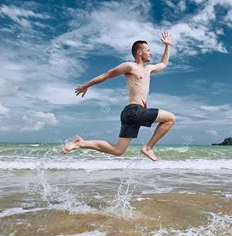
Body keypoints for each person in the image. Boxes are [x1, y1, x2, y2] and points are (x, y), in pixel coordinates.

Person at [62, 31, 176, 161]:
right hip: (134, 111)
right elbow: (106, 75)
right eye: (148, 50)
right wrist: (86, 85)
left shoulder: (149, 69)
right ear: (139, 52)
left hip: (134, 114)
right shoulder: (129, 66)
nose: (151, 53)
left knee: (118, 150)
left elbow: (163, 64)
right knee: (170, 118)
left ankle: (80, 143)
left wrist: (168, 46)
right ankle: (148, 148)